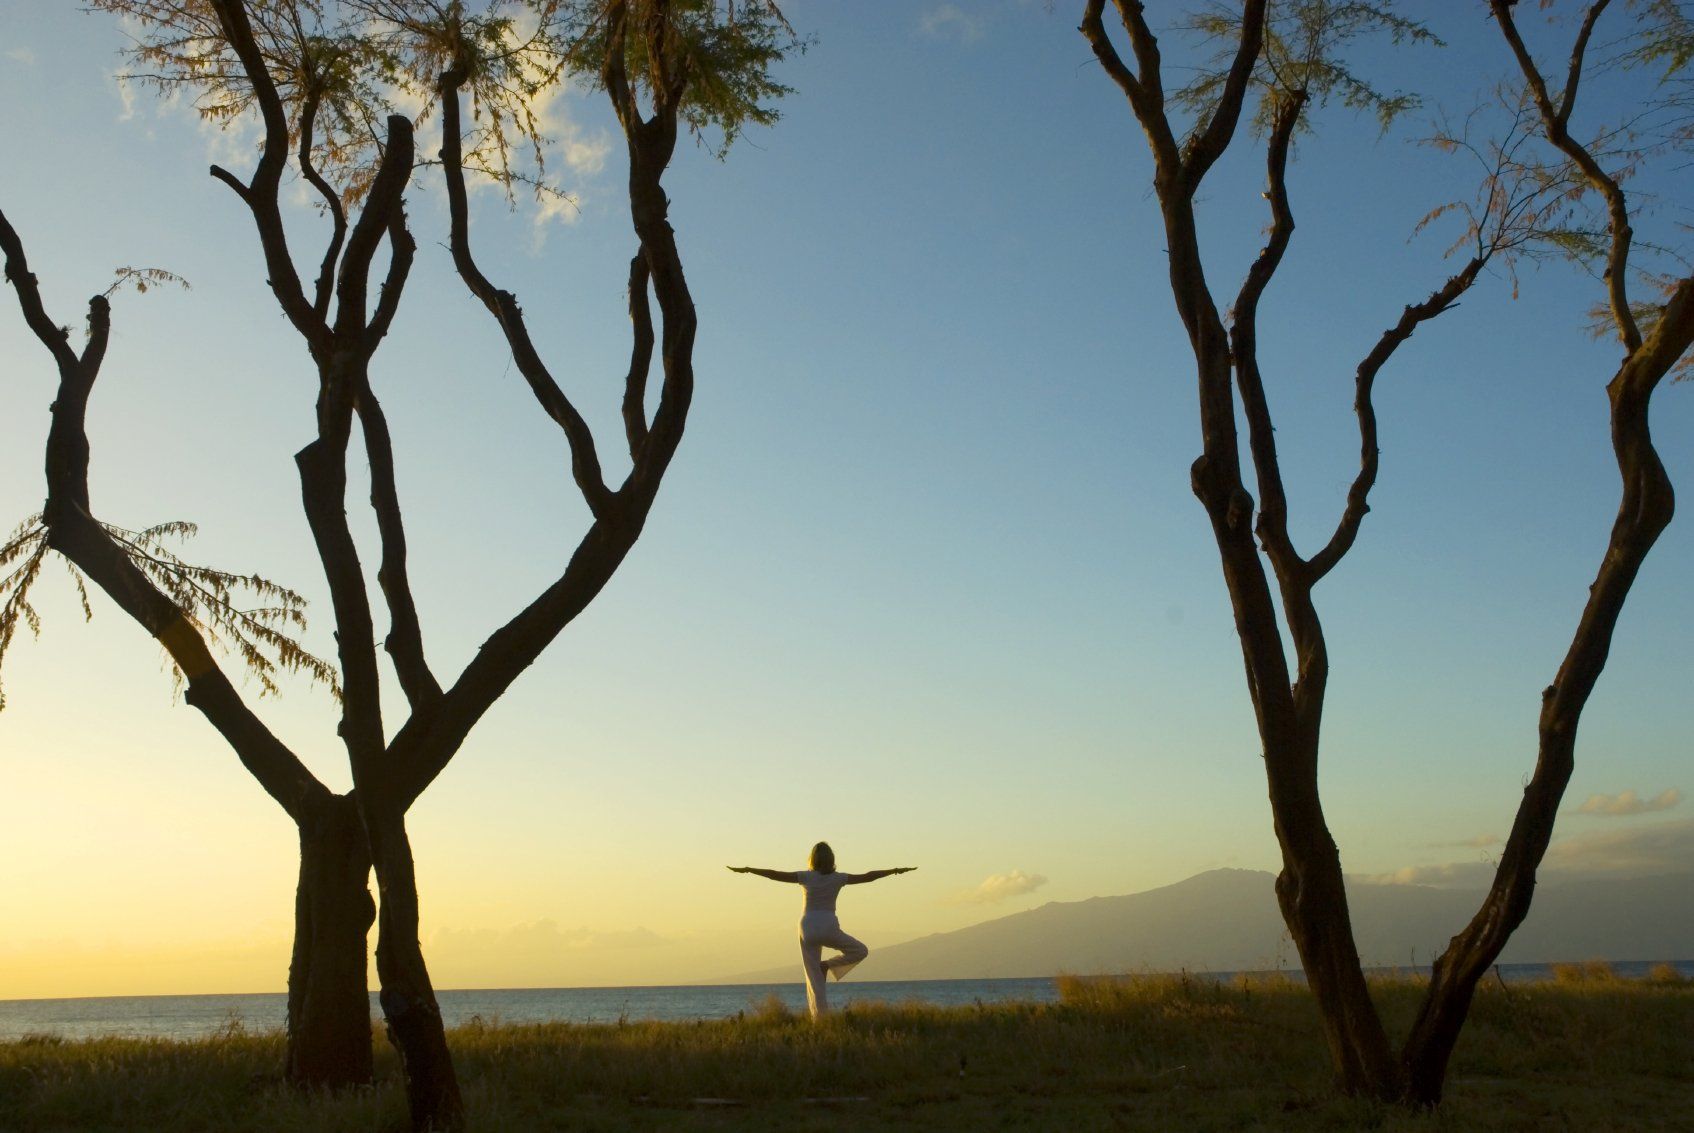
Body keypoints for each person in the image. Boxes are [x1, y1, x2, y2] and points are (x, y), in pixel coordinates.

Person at [728, 842, 916, 1018]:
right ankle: (827, 966)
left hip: (807, 926)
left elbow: (773, 873)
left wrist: (749, 870)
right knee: (860, 951)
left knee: (814, 978)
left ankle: (819, 1019)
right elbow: (869, 876)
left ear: (812, 859)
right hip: (828, 924)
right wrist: (894, 871)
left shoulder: (805, 877)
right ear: (831, 860)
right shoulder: (839, 878)